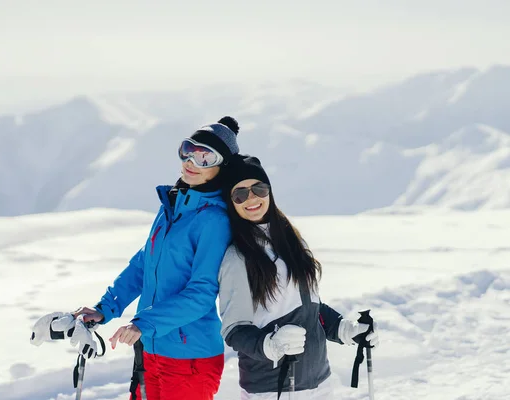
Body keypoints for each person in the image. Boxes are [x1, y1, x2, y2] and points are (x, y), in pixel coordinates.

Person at [31, 116, 242, 400]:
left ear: (222, 167)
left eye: (205, 157)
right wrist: (105, 308)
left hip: (189, 359)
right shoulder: (173, 205)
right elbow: (143, 265)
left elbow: (201, 294)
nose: (191, 161)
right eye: (188, 149)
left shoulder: (214, 221)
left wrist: (144, 324)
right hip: (150, 352)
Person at [218, 154, 380, 400]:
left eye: (258, 188)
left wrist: (345, 329)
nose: (251, 198)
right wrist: (270, 345)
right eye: (239, 194)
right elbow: (234, 329)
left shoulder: (291, 240)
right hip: (273, 388)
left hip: (319, 382)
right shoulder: (237, 257)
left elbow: (309, 308)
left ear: (269, 191)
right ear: (231, 202)